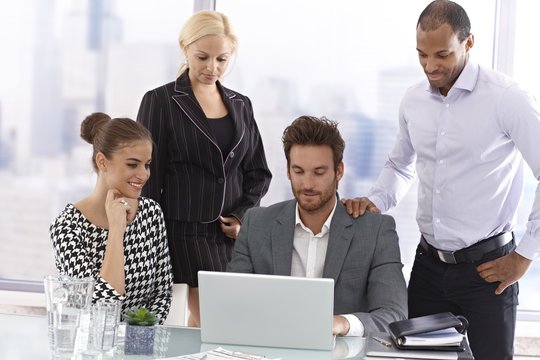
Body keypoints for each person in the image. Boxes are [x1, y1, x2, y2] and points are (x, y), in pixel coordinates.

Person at [342, 1, 540, 358]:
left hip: (488, 271)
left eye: (442, 55)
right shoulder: (413, 100)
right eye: (422, 55)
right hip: (428, 267)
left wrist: (525, 256)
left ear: (469, 43)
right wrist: (377, 201)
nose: (430, 66)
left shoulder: (508, 99)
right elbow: (400, 165)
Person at [137, 10, 272, 327]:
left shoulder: (241, 104)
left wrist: (242, 216)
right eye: (203, 57)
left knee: (230, 322)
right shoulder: (161, 101)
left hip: (230, 238)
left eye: (222, 59)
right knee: (213, 321)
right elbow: (148, 177)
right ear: (185, 49)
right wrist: (150, 237)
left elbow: (258, 173)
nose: (212, 68)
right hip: (182, 232)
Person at [227, 115, 407, 337]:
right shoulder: (256, 224)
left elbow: (393, 315)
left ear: (339, 171)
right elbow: (233, 304)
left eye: (319, 172)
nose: (308, 184)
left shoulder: (376, 231)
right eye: (299, 171)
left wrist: (342, 324)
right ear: (288, 170)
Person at [50, 112, 173, 324]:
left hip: (140, 347)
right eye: (133, 165)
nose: (144, 174)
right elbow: (100, 304)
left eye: (147, 164)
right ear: (102, 162)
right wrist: (116, 230)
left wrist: (139, 342)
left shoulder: (151, 213)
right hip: (89, 348)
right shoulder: (67, 227)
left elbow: (162, 293)